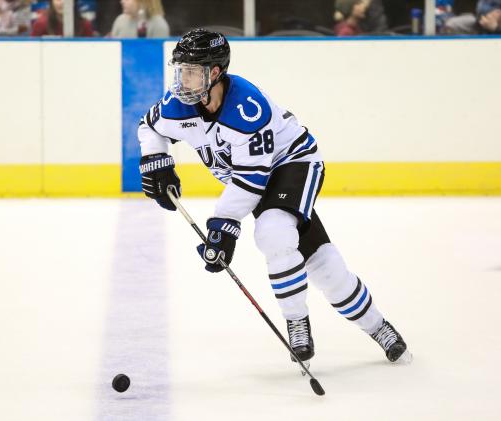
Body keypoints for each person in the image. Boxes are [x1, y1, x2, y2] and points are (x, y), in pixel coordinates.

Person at [137, 28, 411, 368]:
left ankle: (297, 321)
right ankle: (379, 326)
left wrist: (223, 225)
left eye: (192, 71)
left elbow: (252, 179)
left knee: (273, 233)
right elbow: (149, 128)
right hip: (256, 179)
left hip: (294, 163)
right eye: (181, 70)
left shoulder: (248, 109)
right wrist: (156, 162)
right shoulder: (179, 106)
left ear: (215, 73)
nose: (183, 80)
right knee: (323, 264)